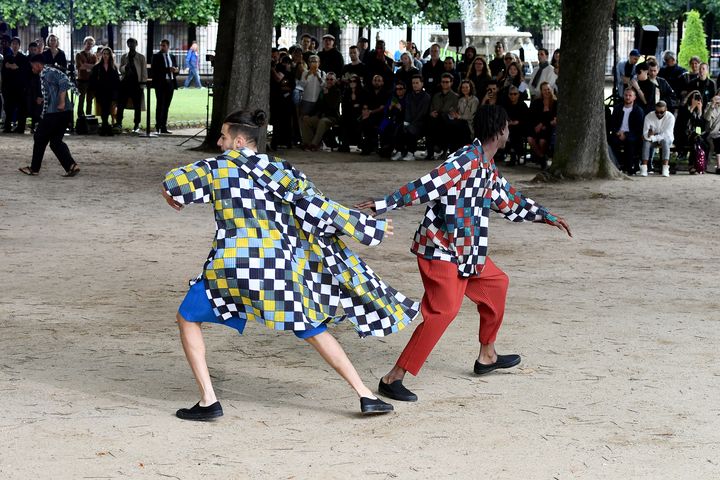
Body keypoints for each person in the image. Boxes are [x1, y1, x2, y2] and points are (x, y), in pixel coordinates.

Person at [162, 109, 419, 419]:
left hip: (231, 269)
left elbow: (174, 181)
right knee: (313, 327)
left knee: (187, 316)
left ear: (239, 141)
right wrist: (365, 225)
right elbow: (320, 208)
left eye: (223, 136)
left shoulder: (217, 167)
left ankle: (208, 400)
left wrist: (170, 194)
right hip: (279, 272)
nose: (218, 142)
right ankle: (364, 394)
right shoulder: (281, 169)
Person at [354, 104, 571, 403]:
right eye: (507, 126)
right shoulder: (466, 159)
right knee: (443, 312)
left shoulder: (487, 165)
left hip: (467, 252)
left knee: (497, 284)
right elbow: (425, 186)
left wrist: (546, 216)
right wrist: (382, 204)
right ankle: (393, 378)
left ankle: (487, 355)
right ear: (500, 131)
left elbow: (510, 200)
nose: (509, 131)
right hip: (439, 248)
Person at [18, 55, 80, 177]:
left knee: (40, 137)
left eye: (32, 67)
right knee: (55, 142)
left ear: (37, 65)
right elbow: (56, 87)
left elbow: (64, 81)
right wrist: (45, 99)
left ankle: (34, 168)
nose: (32, 69)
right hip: (64, 113)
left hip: (55, 112)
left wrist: (61, 101)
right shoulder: (48, 73)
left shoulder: (47, 73)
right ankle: (71, 166)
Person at [300, 72, 341, 150]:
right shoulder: (323, 91)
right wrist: (308, 115)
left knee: (322, 121)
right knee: (306, 120)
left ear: (335, 81)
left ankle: (314, 144)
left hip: (332, 117)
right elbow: (317, 106)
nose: (329, 81)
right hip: (321, 116)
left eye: (331, 79)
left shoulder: (337, 91)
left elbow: (332, 106)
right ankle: (307, 143)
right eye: (327, 79)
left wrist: (327, 95)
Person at [608, 87, 644, 175]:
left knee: (630, 142)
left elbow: (639, 128)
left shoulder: (638, 110)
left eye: (630, 95)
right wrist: (617, 132)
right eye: (626, 95)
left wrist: (626, 134)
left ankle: (629, 166)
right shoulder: (617, 108)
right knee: (611, 142)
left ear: (634, 97)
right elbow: (612, 124)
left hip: (632, 134)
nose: (628, 97)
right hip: (618, 133)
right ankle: (617, 165)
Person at [117, 37, 147, 133]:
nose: (131, 45)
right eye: (129, 43)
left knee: (137, 105)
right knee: (121, 104)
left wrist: (142, 84)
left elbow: (144, 71)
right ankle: (119, 123)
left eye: (132, 43)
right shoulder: (124, 56)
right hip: (125, 83)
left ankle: (136, 124)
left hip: (136, 84)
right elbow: (120, 69)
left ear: (136, 44)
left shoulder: (141, 57)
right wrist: (125, 67)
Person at [89, 47, 120, 136]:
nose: (106, 56)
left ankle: (105, 126)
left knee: (109, 109)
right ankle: (106, 126)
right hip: (101, 92)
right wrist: (93, 91)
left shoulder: (114, 67)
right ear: (101, 55)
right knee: (104, 109)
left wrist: (116, 93)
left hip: (110, 92)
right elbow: (93, 80)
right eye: (104, 54)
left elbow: (116, 81)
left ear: (110, 55)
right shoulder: (97, 67)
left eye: (107, 54)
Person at [674, 90, 707, 174]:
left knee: (699, 140)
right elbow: (682, 123)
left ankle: (698, 165)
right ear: (690, 99)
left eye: (699, 98)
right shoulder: (683, 108)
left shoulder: (698, 110)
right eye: (695, 98)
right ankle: (693, 166)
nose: (697, 100)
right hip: (681, 134)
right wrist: (691, 108)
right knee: (696, 140)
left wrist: (700, 112)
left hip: (693, 135)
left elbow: (700, 127)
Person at [640, 101, 675, 177]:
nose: (659, 114)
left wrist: (654, 136)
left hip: (666, 138)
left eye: (661, 112)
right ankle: (644, 167)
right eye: (657, 112)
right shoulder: (649, 116)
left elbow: (666, 134)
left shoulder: (670, 117)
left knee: (665, 141)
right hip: (652, 139)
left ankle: (665, 168)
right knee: (646, 142)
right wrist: (652, 136)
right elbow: (645, 134)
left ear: (666, 109)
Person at [1, 37, 29, 133]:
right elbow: (4, 71)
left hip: (20, 87)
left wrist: (12, 67)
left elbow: (24, 71)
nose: (15, 46)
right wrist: (12, 67)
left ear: (19, 45)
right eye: (13, 44)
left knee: (21, 107)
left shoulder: (23, 58)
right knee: (8, 107)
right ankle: (7, 127)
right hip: (8, 87)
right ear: (11, 45)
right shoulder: (7, 57)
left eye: (16, 44)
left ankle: (21, 127)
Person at [527, 81, 557, 167]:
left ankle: (543, 158)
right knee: (530, 139)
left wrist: (543, 124)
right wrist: (538, 124)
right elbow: (532, 116)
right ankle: (541, 156)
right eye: (544, 90)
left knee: (542, 141)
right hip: (536, 126)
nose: (547, 91)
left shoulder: (555, 103)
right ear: (541, 91)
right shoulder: (537, 102)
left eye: (548, 89)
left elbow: (553, 119)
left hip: (548, 128)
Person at [151, 39, 178, 134]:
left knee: (166, 105)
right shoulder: (156, 56)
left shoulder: (172, 56)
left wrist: (175, 70)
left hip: (170, 83)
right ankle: (158, 125)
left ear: (168, 46)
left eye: (164, 46)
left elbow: (175, 69)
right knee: (160, 104)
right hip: (160, 84)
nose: (162, 47)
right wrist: (167, 70)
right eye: (161, 45)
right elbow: (155, 70)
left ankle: (163, 126)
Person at [338, 74, 365, 152]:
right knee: (344, 120)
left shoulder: (362, 91)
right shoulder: (347, 92)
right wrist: (353, 103)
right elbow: (344, 105)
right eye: (350, 81)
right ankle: (345, 145)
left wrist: (356, 104)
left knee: (356, 120)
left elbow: (363, 104)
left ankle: (360, 142)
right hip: (348, 114)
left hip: (359, 114)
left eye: (354, 81)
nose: (352, 83)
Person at [75, 36, 97, 118]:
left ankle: (88, 116)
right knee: (81, 99)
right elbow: (80, 67)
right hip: (82, 80)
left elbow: (95, 67)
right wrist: (90, 67)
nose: (89, 45)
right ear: (84, 44)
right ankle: (80, 116)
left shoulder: (94, 56)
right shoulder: (79, 54)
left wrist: (86, 66)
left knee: (89, 100)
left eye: (91, 44)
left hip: (91, 81)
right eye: (88, 43)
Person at [454, 79, 478, 146]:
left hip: (470, 125)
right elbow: (458, 113)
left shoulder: (474, 100)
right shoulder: (460, 100)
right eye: (463, 87)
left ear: (470, 88)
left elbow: (472, 116)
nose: (465, 89)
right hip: (460, 123)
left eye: (467, 87)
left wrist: (460, 116)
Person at [703, 95, 720, 174]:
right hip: (710, 132)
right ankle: (715, 166)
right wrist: (712, 106)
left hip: (718, 132)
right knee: (716, 140)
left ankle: (718, 166)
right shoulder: (709, 105)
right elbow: (707, 118)